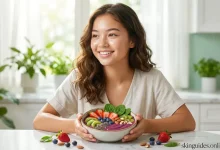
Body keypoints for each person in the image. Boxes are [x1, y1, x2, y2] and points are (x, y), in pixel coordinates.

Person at [33, 3, 195, 142]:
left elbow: (187, 121)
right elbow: (40, 119)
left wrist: (148, 125)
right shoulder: (80, 76)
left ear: (132, 40)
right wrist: (75, 126)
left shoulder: (152, 79)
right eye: (95, 35)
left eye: (112, 35)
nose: (102, 43)